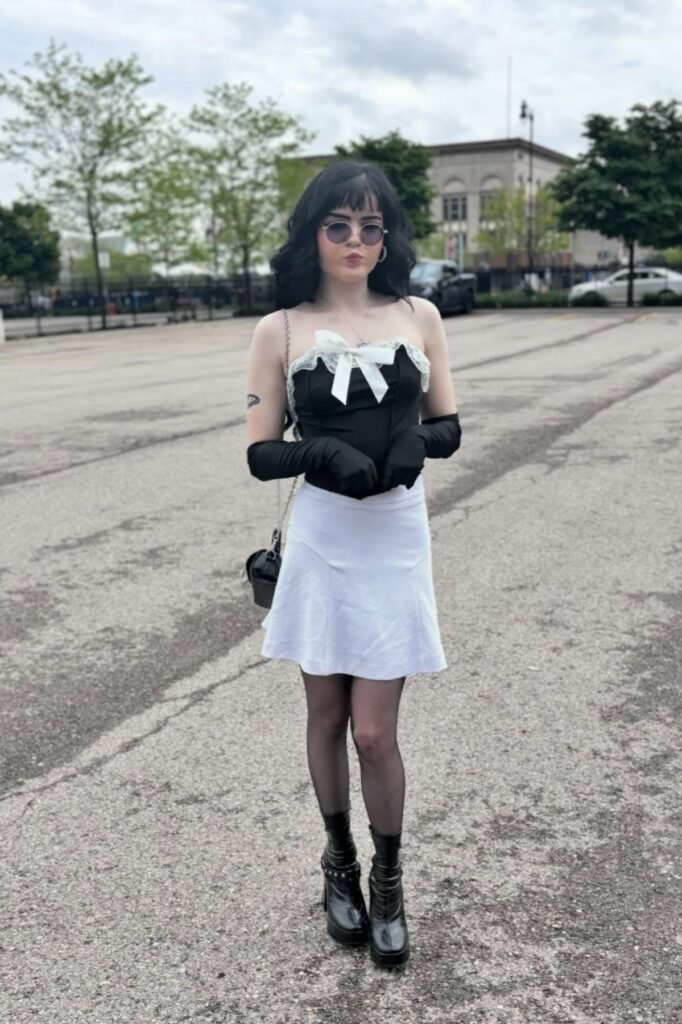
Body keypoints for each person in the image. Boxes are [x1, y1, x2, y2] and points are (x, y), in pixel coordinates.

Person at [245, 159, 461, 969]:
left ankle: (389, 878)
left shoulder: (419, 314)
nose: (355, 241)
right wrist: (318, 452)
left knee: (374, 731)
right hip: (325, 538)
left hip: (394, 538)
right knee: (328, 717)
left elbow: (450, 425)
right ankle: (338, 862)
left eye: (371, 226)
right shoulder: (281, 329)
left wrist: (416, 443)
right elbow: (260, 451)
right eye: (338, 225)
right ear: (313, 233)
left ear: (387, 236)